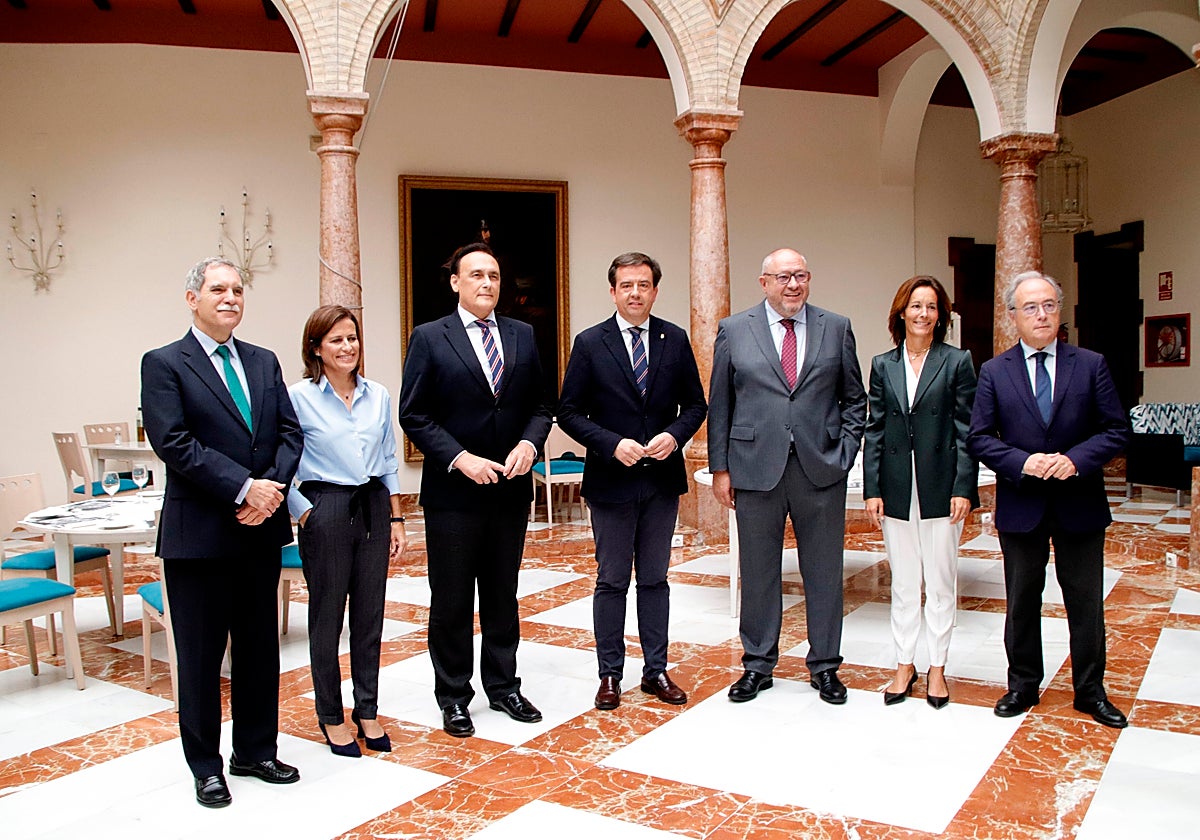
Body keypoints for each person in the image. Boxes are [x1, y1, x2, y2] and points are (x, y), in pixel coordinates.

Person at [140, 257, 304, 808]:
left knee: (260, 649)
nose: (230, 297)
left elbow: (288, 432)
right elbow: (174, 442)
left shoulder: (263, 361)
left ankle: (255, 751)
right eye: (218, 289)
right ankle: (206, 766)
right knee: (202, 656)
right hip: (201, 535)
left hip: (259, 531)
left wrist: (271, 490)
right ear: (193, 298)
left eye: (237, 289)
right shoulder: (164, 363)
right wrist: (243, 488)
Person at [398, 242, 552, 738]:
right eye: (477, 275)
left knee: (503, 594)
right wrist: (458, 458)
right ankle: (454, 695)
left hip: (509, 488)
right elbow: (414, 413)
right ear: (455, 282)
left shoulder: (523, 335)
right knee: (452, 597)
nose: (488, 283)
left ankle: (505, 686)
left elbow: (541, 404)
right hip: (454, 494)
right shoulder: (429, 337)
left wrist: (530, 443)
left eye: (495, 275)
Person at [967, 271, 1130, 729]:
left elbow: (1116, 431)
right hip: (1023, 502)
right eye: (1030, 308)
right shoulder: (994, 372)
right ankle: (1022, 684)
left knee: (1085, 600)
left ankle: (1090, 691)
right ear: (1013, 316)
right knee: (1021, 598)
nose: (1041, 315)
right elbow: (979, 438)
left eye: (1049, 306)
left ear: (1060, 312)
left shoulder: (1091, 364)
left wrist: (1075, 460)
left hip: (1079, 501)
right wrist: (1023, 462)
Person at [708, 248, 867, 705]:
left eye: (800, 276)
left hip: (821, 467)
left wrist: (846, 450)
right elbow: (721, 404)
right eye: (782, 277)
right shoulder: (734, 330)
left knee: (824, 571)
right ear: (764, 283)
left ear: (809, 279)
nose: (792, 285)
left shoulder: (835, 327)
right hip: (755, 468)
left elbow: (855, 399)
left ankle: (826, 667)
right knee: (758, 572)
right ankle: (757, 665)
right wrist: (722, 468)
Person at [557, 252, 708, 711]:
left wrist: (674, 436)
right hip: (611, 481)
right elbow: (568, 412)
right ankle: (609, 674)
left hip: (661, 481)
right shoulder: (589, 343)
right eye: (627, 285)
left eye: (644, 285)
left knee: (656, 580)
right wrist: (609, 443)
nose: (635, 293)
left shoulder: (675, 339)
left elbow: (696, 406)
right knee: (611, 581)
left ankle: (656, 670)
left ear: (655, 290)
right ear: (613, 291)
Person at [287, 305, 407, 758]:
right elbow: (284, 461)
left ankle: (368, 708)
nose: (347, 347)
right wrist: (304, 512)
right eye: (336, 339)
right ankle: (331, 715)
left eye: (352, 337)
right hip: (326, 507)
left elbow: (389, 460)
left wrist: (396, 518)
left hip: (374, 504)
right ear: (316, 347)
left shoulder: (377, 394)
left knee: (370, 616)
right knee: (327, 616)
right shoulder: (298, 397)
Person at [863, 276, 977, 709]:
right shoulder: (882, 364)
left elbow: (968, 430)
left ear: (941, 316)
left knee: (942, 581)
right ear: (901, 313)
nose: (923, 314)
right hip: (895, 487)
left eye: (931, 307)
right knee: (905, 583)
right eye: (916, 306)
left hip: (941, 488)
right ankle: (904, 663)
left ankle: (938, 668)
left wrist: (964, 485)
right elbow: (874, 431)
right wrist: (873, 489)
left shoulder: (957, 361)